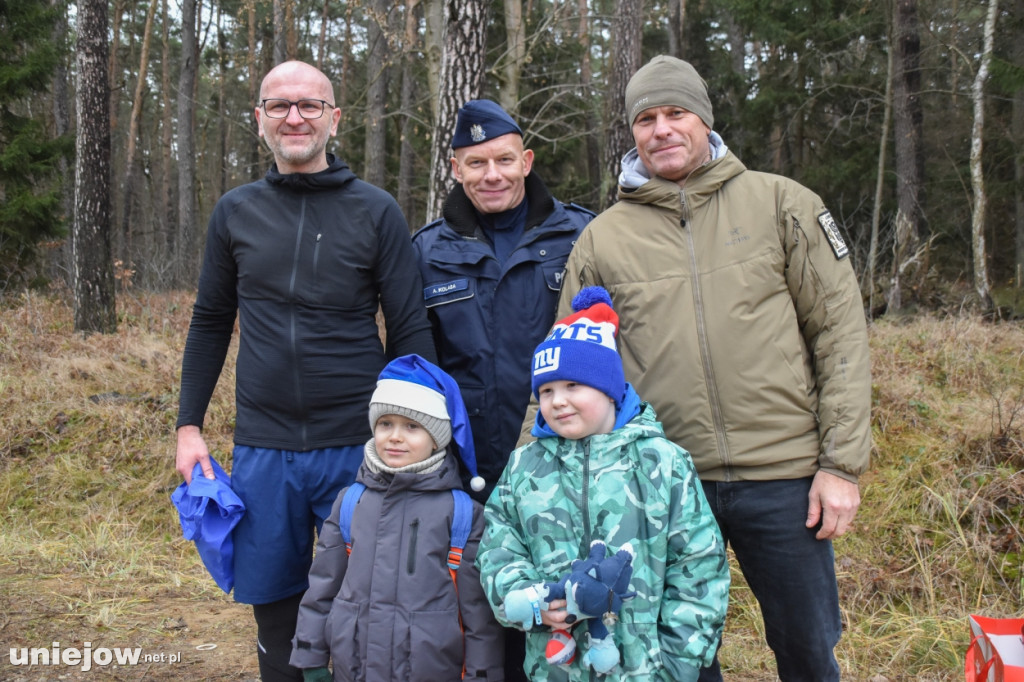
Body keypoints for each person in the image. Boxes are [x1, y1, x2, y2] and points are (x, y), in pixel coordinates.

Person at [542, 55, 873, 681]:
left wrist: (840, 466)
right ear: (632, 132)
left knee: (806, 648)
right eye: (646, 118)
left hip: (784, 479)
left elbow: (839, 337)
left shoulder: (782, 204)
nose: (662, 129)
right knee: (680, 656)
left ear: (704, 120)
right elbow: (570, 368)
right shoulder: (603, 239)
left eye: (676, 113)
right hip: (661, 479)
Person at [174, 60, 436, 682]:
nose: (295, 116)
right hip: (265, 450)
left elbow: (409, 329)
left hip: (359, 447)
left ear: (334, 118)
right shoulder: (235, 212)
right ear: (259, 119)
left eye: (311, 105)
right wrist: (188, 426)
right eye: (280, 105)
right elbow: (211, 321)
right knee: (277, 613)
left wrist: (426, 430)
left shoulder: (375, 211)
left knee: (363, 607)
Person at [479, 286, 729, 682]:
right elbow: (498, 546)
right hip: (554, 668)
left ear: (610, 389)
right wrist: (526, 600)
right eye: (546, 390)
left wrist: (679, 664)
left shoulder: (663, 463)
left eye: (573, 386)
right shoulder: (524, 466)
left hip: (647, 669)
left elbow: (698, 565)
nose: (557, 401)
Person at [412, 99, 594, 504]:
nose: (492, 175)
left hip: (567, 454)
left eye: (504, 160)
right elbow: (417, 363)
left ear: (526, 162)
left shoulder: (582, 235)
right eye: (476, 164)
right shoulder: (426, 252)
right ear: (456, 170)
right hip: (465, 466)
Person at [289, 354, 504, 682]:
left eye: (412, 426)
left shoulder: (462, 516)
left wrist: (482, 675)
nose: (395, 436)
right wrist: (310, 655)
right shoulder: (350, 503)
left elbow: (478, 616)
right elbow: (321, 588)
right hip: (355, 670)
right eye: (385, 424)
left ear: (437, 438)